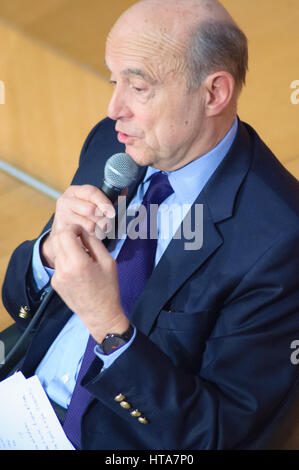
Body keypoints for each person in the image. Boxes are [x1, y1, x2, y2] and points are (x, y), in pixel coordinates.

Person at [2, 0, 299, 450]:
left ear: (214, 93)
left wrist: (107, 322)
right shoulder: (114, 143)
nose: (114, 106)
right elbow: (18, 302)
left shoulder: (280, 241)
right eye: (112, 79)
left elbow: (219, 436)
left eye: (138, 86)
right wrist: (49, 254)